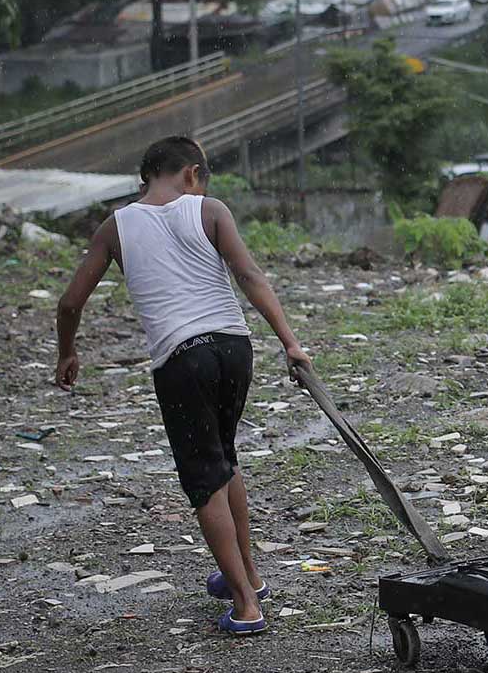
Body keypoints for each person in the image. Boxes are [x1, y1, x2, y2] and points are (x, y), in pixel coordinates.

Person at [54, 135, 311, 636]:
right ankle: (249, 578)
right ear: (192, 173)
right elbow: (250, 275)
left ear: (148, 176)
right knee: (224, 457)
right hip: (235, 348)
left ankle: (245, 606)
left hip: (182, 358)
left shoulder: (117, 226)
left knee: (204, 478)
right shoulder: (210, 210)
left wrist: (67, 351)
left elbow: (69, 303)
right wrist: (291, 343)